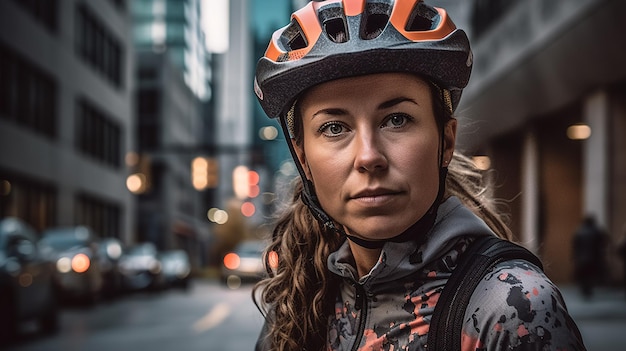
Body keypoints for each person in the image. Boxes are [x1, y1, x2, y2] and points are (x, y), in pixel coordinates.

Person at [252, 1, 587, 350]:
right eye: (334, 127)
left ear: (446, 141)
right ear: (304, 159)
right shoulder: (297, 302)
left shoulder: (513, 307)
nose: (369, 157)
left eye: (397, 119)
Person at [572, 215, 608, 298]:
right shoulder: (596, 231)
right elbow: (602, 243)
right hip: (593, 257)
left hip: (581, 257)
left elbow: (575, 246)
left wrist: (574, 256)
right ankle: (589, 289)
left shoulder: (579, 231)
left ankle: (584, 289)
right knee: (590, 274)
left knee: (583, 274)